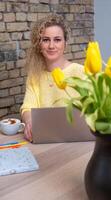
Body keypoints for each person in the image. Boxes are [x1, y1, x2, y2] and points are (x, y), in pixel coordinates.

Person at [21, 13, 84, 142]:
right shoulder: (35, 76)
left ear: (65, 44)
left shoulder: (80, 72)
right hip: (45, 140)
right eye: (45, 40)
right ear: (39, 45)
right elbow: (27, 107)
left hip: (78, 141)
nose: (51, 46)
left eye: (57, 39)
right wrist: (29, 121)